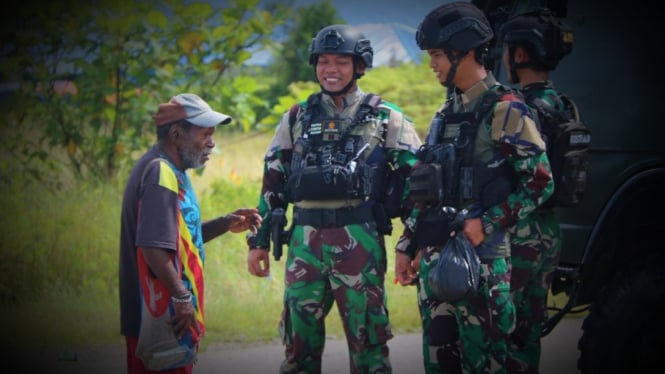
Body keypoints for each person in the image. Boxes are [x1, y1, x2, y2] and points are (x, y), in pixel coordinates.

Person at [246, 24, 422, 374]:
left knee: (369, 349)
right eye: (323, 61)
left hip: (360, 240)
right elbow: (273, 180)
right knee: (298, 347)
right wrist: (259, 240)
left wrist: (410, 242)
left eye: (341, 62)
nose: (330, 69)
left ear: (360, 66)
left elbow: (418, 184)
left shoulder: (387, 118)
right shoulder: (296, 116)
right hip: (304, 244)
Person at [394, 2, 554, 373]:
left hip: (483, 265)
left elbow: (540, 184)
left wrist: (489, 221)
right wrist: (408, 244)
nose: (431, 63)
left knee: (487, 364)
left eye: (436, 54)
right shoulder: (444, 114)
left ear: (464, 52)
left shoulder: (506, 110)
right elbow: (426, 188)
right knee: (439, 364)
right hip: (436, 265)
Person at [119, 93, 262, 374]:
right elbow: (151, 246)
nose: (212, 142)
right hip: (159, 312)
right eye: (205, 134)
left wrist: (224, 223)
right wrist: (182, 297)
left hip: (165, 309)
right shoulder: (160, 173)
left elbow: (172, 238)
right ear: (176, 134)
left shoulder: (172, 170)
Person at [498, 9, 576, 373]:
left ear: (519, 55)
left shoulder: (519, 108)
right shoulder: (564, 105)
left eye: (507, 50)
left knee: (504, 333)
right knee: (529, 335)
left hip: (520, 231)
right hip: (549, 232)